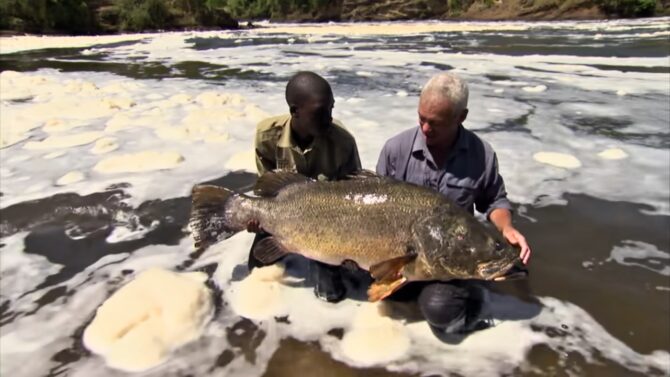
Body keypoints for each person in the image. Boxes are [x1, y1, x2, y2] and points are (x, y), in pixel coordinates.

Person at [376, 72, 532, 335]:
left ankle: (473, 302)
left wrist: (506, 228)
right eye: (421, 119)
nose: (425, 129)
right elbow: (377, 203)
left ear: (461, 117)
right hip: (401, 252)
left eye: (435, 123)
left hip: (448, 259)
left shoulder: (481, 155)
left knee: (440, 310)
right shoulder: (396, 149)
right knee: (367, 284)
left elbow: (493, 199)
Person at [248, 71, 362, 303]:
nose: (329, 117)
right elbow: (267, 189)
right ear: (295, 111)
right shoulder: (266, 136)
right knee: (258, 272)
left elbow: (356, 197)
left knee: (331, 294)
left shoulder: (343, 142)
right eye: (321, 111)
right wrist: (258, 219)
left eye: (331, 108)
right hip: (282, 213)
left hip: (329, 224)